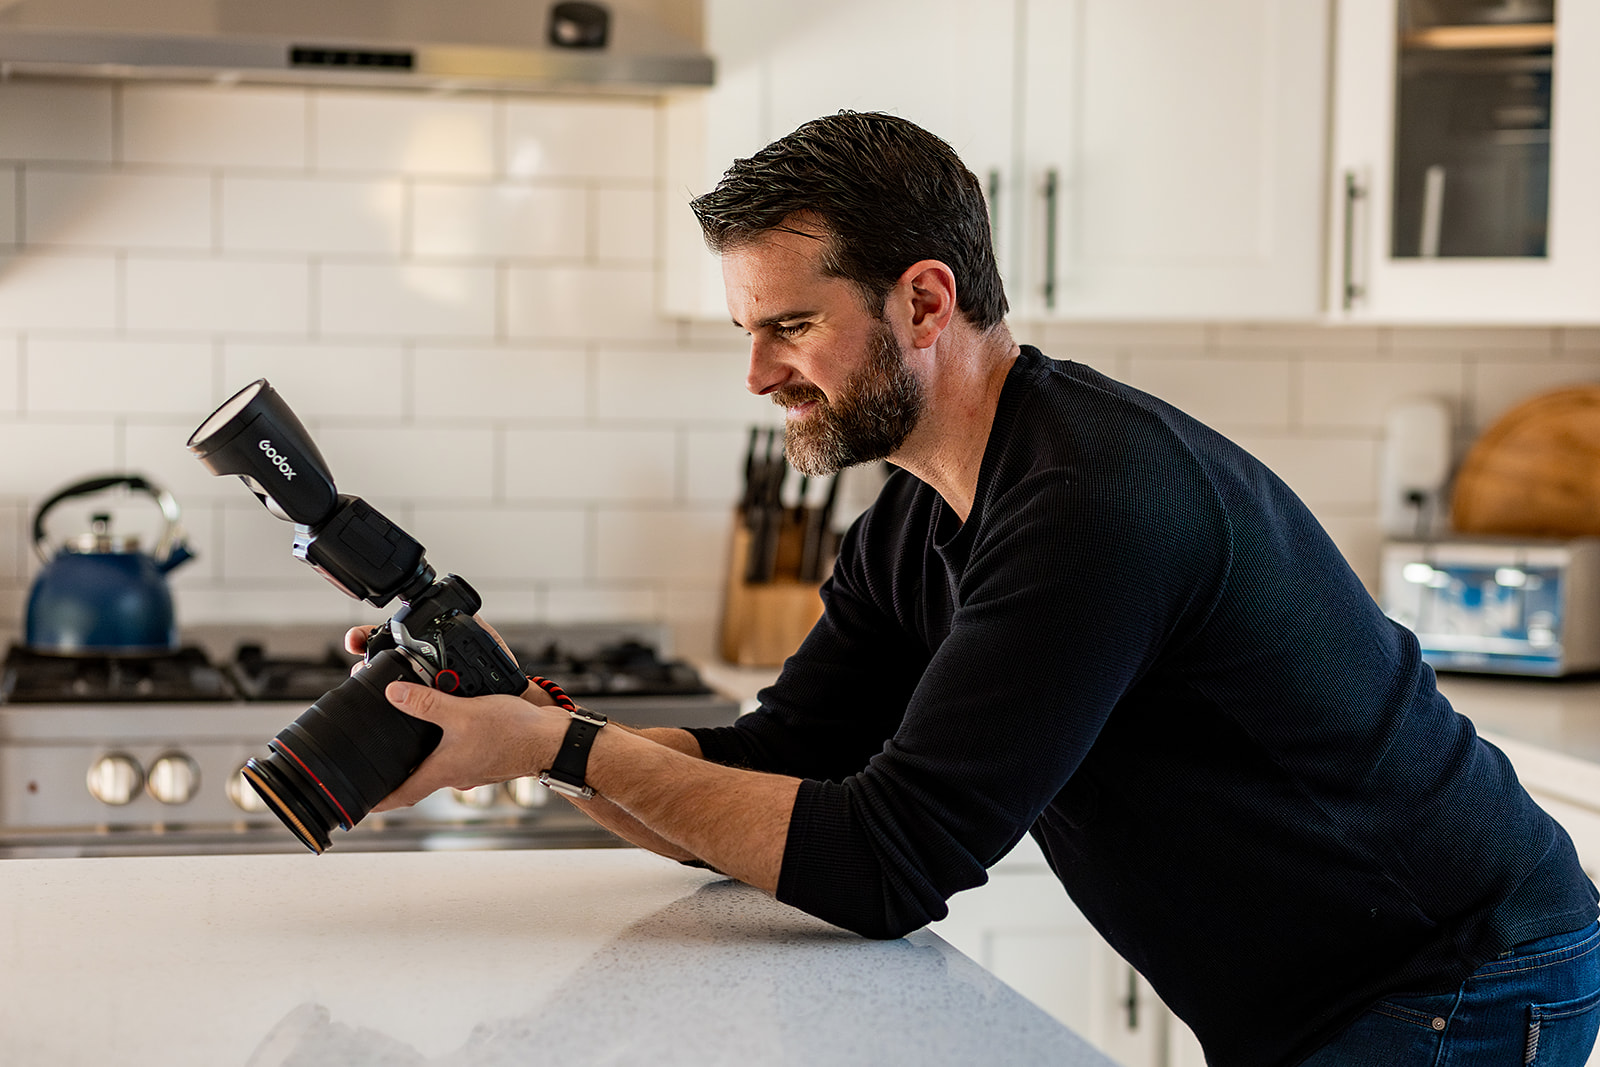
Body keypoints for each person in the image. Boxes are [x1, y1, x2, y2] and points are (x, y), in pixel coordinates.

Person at [356, 112, 1600, 1066]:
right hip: (1340, 977)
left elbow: (886, 864)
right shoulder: (918, 511)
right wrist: (513, 718)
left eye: (787, 326)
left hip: (1459, 971)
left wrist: (563, 750)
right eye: (746, 330)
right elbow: (780, 761)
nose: (756, 373)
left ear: (925, 300)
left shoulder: (1092, 504)